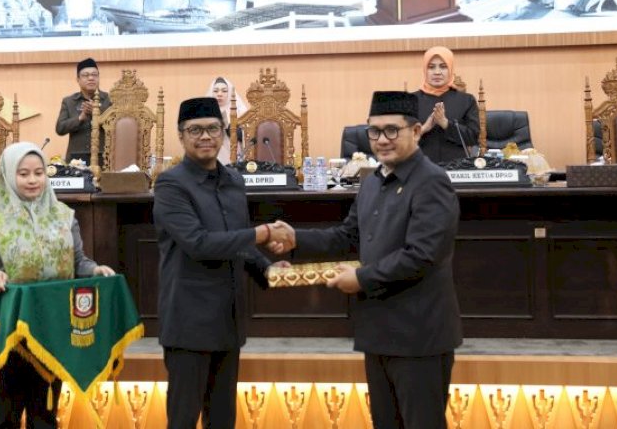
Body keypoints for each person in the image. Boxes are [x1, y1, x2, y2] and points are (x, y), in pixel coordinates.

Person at [272, 91, 462, 429]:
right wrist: (296, 239)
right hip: (378, 329)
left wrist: (361, 278)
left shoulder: (432, 182)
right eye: (374, 131)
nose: (382, 140)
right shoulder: (373, 182)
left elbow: (422, 255)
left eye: (392, 130)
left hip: (419, 335)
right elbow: (348, 237)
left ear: (416, 131)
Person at [153, 97, 290, 429]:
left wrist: (265, 268)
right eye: (195, 130)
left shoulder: (234, 180)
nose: (205, 137)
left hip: (227, 320)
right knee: (183, 419)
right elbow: (199, 243)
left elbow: (237, 239)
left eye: (213, 128)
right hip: (188, 321)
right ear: (181, 135)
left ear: (224, 133)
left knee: (223, 419)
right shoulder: (170, 184)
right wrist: (261, 233)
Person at [0, 141, 115, 429]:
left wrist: (95, 269)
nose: (33, 180)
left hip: (49, 329)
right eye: (24, 174)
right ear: (7, 175)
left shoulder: (62, 215)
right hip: (3, 333)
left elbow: (77, 260)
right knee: (3, 417)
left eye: (39, 173)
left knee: (44, 417)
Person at [413, 46, 479, 163]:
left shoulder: (466, 100)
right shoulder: (411, 100)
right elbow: (400, 140)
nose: (437, 72)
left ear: (450, 69)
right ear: (424, 70)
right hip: (420, 168)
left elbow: (473, 138)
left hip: (457, 168)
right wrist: (423, 129)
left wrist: (446, 124)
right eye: (431, 67)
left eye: (443, 67)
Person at [55, 57, 112, 164]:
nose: (91, 78)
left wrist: (98, 115)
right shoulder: (69, 101)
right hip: (76, 160)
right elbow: (60, 128)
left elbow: (117, 127)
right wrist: (80, 118)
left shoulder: (110, 100)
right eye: (85, 75)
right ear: (78, 79)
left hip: (105, 158)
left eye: (94, 75)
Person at [206, 76, 248, 164]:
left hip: (235, 154)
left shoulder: (240, 110)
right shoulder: (205, 111)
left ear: (230, 93)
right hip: (212, 153)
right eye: (216, 91)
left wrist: (235, 131)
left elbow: (250, 135)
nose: (219, 94)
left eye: (224, 91)